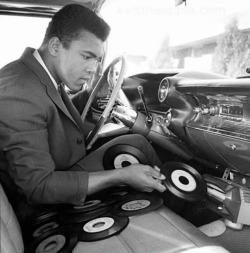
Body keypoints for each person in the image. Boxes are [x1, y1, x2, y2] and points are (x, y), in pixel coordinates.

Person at [0, 4, 166, 224]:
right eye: (86, 56)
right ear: (56, 46)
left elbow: (62, 120)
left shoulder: (41, 75)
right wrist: (122, 176)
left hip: (63, 164)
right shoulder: (20, 90)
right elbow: (38, 187)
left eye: (97, 60)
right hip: (41, 202)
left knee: (129, 140)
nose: (92, 68)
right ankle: (180, 208)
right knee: (138, 144)